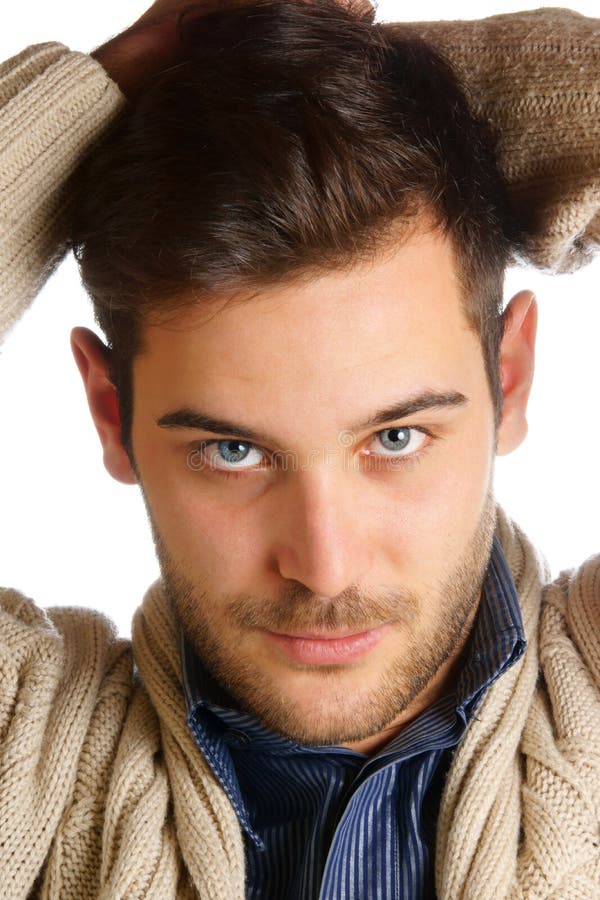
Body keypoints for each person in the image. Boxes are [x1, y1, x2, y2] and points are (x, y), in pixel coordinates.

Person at [0, 1, 598, 897]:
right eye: (232, 452)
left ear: (509, 378)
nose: (323, 566)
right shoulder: (26, 764)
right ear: (109, 410)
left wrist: (369, 73)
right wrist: (131, 70)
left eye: (396, 437)